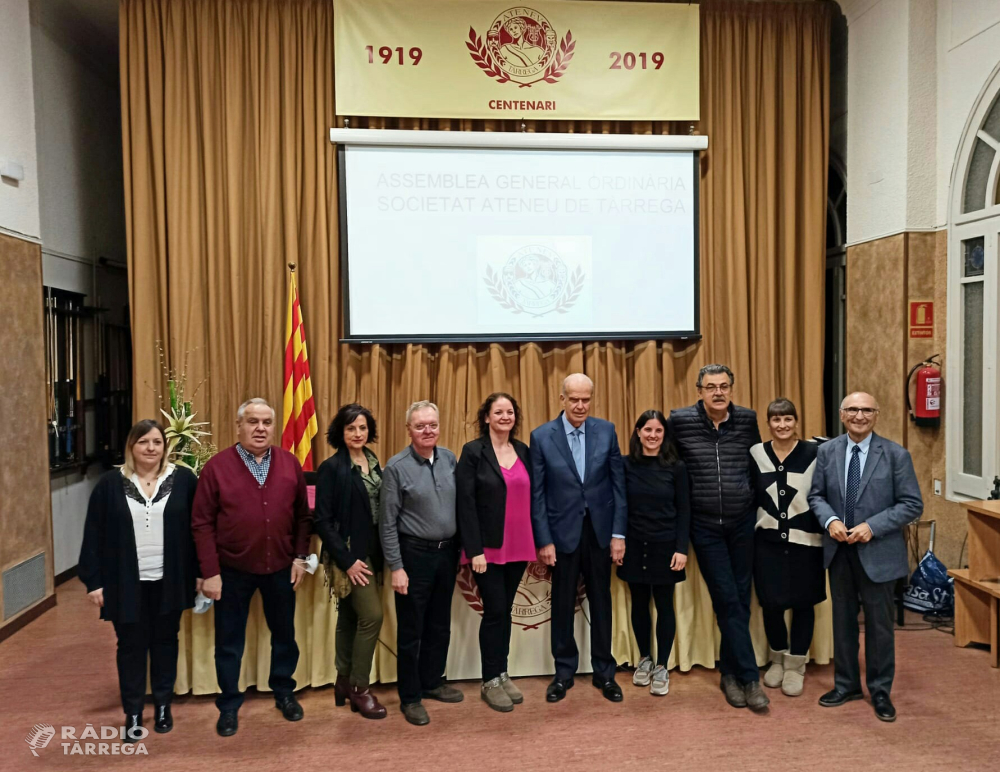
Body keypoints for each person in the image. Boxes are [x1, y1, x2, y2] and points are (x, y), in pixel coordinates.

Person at [192, 397, 313, 737]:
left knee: (284, 636)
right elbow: (201, 524)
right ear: (239, 425)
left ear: (274, 427)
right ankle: (229, 704)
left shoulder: (290, 464)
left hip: (280, 568)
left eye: (266, 422)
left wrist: (300, 557)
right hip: (231, 571)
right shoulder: (216, 467)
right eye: (252, 421)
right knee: (229, 642)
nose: (260, 428)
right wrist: (210, 571)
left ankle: (284, 692)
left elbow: (304, 518)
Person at [78, 419, 199, 742]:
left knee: (165, 643)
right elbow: (94, 534)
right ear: (131, 446)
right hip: (124, 584)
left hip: (170, 580)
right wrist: (94, 582)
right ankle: (132, 712)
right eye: (143, 441)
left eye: (157, 442)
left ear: (165, 447)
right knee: (130, 647)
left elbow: (199, 529)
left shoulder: (185, 480)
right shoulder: (109, 484)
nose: (150, 448)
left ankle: (162, 706)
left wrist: (202, 572)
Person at [808, 392, 923, 722]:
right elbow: (816, 495)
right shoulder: (827, 452)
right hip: (839, 552)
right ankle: (846, 685)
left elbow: (911, 504)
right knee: (842, 624)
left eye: (867, 410)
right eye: (853, 409)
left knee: (879, 627)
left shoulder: (896, 455)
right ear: (842, 415)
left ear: (876, 414)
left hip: (879, 553)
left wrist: (872, 526)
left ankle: (881, 690)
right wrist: (830, 520)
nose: (860, 415)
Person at [667, 364, 768, 711]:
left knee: (740, 598)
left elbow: (757, 465)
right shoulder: (679, 420)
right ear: (699, 391)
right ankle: (750, 678)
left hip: (742, 522)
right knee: (726, 597)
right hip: (705, 525)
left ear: (732, 388)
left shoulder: (747, 419)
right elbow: (671, 469)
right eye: (711, 387)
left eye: (724, 386)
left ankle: (729, 673)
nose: (718, 392)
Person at [530, 373, 627, 703]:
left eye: (586, 399)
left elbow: (618, 486)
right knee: (562, 604)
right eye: (574, 399)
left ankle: (604, 673)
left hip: (600, 534)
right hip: (562, 535)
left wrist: (618, 534)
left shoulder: (607, 430)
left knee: (602, 603)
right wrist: (543, 539)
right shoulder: (542, 437)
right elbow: (538, 494)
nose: (581, 405)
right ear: (562, 400)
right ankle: (564, 673)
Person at [380, 400, 462, 726]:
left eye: (432, 425)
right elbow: (386, 524)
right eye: (420, 426)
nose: (427, 431)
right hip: (413, 556)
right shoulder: (396, 467)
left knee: (439, 625)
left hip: (447, 554)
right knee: (412, 630)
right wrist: (396, 567)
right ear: (409, 430)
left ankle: (432, 682)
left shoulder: (451, 459)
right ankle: (411, 696)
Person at [456, 392, 534, 712]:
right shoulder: (473, 452)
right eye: (498, 412)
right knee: (495, 612)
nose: (505, 416)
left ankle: (502, 673)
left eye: (510, 411)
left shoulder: (524, 451)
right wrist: (474, 549)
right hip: (486, 549)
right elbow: (465, 502)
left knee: (506, 614)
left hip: (520, 544)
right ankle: (489, 679)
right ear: (486, 417)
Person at [314, 403, 386, 720]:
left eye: (362, 428)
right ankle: (360, 688)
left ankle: (342, 681)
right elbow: (323, 521)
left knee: (350, 617)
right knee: (372, 616)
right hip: (349, 555)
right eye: (351, 428)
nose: (358, 433)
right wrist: (348, 561)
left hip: (373, 550)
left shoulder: (373, 462)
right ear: (340, 433)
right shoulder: (332, 468)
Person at [749, 398, 824, 698]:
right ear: (768, 424)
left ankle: (796, 665)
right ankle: (777, 658)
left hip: (807, 543)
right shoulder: (756, 453)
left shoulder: (814, 452)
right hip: (766, 542)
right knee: (772, 603)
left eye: (788, 419)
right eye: (776, 420)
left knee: (804, 604)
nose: (782, 425)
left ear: (796, 422)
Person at [620, 410, 690, 697]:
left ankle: (662, 665)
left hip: (666, 545)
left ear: (664, 434)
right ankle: (645, 659)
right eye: (647, 430)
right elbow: (620, 506)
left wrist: (681, 549)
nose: (652, 435)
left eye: (658, 431)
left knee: (663, 604)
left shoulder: (676, 467)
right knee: (639, 603)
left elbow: (685, 510)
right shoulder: (626, 465)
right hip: (634, 544)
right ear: (638, 432)